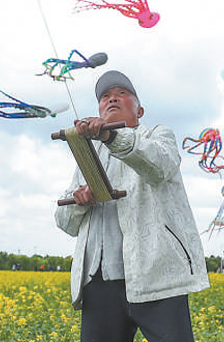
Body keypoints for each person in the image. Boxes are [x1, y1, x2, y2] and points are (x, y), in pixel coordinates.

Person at [55, 70, 209, 342]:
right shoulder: (90, 155)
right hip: (99, 280)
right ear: (98, 112)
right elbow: (65, 223)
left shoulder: (159, 135)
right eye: (105, 97)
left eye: (122, 94)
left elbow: (160, 166)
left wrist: (111, 137)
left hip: (157, 275)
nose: (112, 99)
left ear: (140, 111)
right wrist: (79, 202)